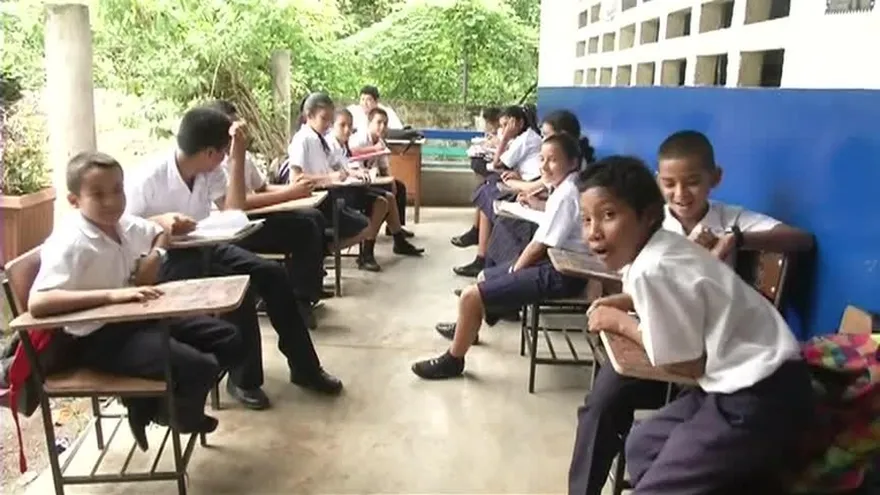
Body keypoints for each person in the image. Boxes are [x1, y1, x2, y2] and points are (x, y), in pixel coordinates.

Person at [568, 130, 814, 495]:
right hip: (737, 383)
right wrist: (625, 303)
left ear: (648, 216)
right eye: (587, 220)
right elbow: (674, 296)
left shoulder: (655, 264)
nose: (593, 233)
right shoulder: (657, 247)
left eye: (607, 215)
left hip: (757, 394)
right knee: (643, 445)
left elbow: (687, 363)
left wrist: (619, 321)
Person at [125, 106, 343, 412]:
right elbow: (120, 228)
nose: (226, 157)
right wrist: (159, 222)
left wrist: (239, 156)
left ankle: (305, 367)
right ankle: (244, 379)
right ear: (211, 152)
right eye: (226, 151)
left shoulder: (209, 170)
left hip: (206, 243)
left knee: (272, 274)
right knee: (238, 290)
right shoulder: (147, 178)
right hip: (164, 258)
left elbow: (233, 210)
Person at [29, 151, 244, 450]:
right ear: (74, 200)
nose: (112, 201)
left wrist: (155, 257)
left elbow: (158, 232)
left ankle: (150, 404)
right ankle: (172, 413)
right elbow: (38, 303)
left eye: (117, 190)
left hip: (136, 318)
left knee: (229, 338)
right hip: (96, 338)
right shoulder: (71, 242)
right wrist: (112, 295)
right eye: (98, 194)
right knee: (200, 367)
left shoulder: (123, 225)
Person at [411, 133, 590, 379]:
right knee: (484, 275)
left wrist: (516, 270)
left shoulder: (567, 193)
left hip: (563, 272)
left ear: (572, 163)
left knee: (470, 295)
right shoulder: (565, 186)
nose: (544, 166)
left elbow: (539, 245)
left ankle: (454, 359)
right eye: (542, 159)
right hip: (557, 261)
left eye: (553, 160)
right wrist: (536, 205)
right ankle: (471, 329)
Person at [206, 99, 332, 307]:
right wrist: (290, 194)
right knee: (305, 227)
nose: (237, 136)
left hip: (253, 218)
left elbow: (262, 188)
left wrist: (297, 188)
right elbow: (237, 206)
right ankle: (298, 298)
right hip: (236, 228)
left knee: (315, 217)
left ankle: (308, 287)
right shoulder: (214, 163)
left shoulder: (243, 157)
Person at [287, 92, 378, 268]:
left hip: (330, 196)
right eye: (323, 119)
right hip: (315, 200)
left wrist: (343, 175)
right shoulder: (302, 139)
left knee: (367, 224)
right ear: (309, 115)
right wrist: (329, 177)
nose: (327, 124)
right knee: (364, 224)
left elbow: (333, 166)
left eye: (330, 119)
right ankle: (322, 252)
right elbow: (296, 178)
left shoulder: (319, 139)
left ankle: (322, 252)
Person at [328, 107, 423, 271]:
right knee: (381, 201)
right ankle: (367, 253)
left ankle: (397, 239)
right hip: (341, 191)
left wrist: (388, 179)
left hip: (356, 185)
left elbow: (381, 168)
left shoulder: (345, 145)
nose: (347, 130)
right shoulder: (341, 143)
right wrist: (358, 173)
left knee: (392, 194)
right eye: (378, 123)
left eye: (349, 126)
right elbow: (341, 170)